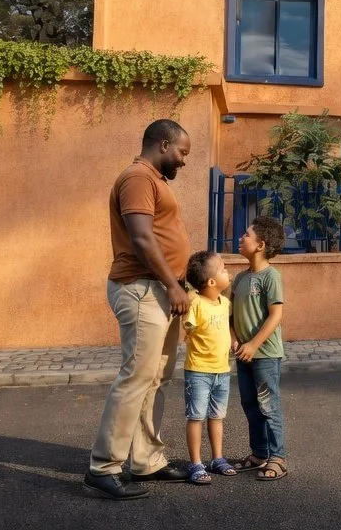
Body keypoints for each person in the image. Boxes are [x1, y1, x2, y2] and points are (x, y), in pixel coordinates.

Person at [83, 119, 194, 501]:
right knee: (136, 377)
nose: (183, 161)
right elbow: (142, 238)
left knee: (157, 377)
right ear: (163, 144)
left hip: (161, 291)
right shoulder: (137, 178)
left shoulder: (155, 181)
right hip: (143, 289)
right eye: (181, 152)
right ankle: (103, 468)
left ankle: (146, 460)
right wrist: (172, 285)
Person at [229, 216, 289, 481]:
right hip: (243, 354)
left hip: (265, 354)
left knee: (268, 406)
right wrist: (234, 337)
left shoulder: (270, 276)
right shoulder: (240, 278)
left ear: (260, 245)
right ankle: (259, 453)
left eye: (246, 234)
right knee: (250, 404)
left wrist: (254, 344)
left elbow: (276, 315)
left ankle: (278, 457)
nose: (241, 238)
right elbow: (231, 315)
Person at [182, 250, 238, 485]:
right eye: (223, 269)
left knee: (217, 416)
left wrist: (233, 340)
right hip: (198, 371)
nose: (228, 272)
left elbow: (226, 327)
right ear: (212, 282)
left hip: (222, 370)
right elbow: (188, 328)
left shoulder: (225, 303)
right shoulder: (195, 303)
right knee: (196, 417)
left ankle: (217, 458)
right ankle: (196, 463)